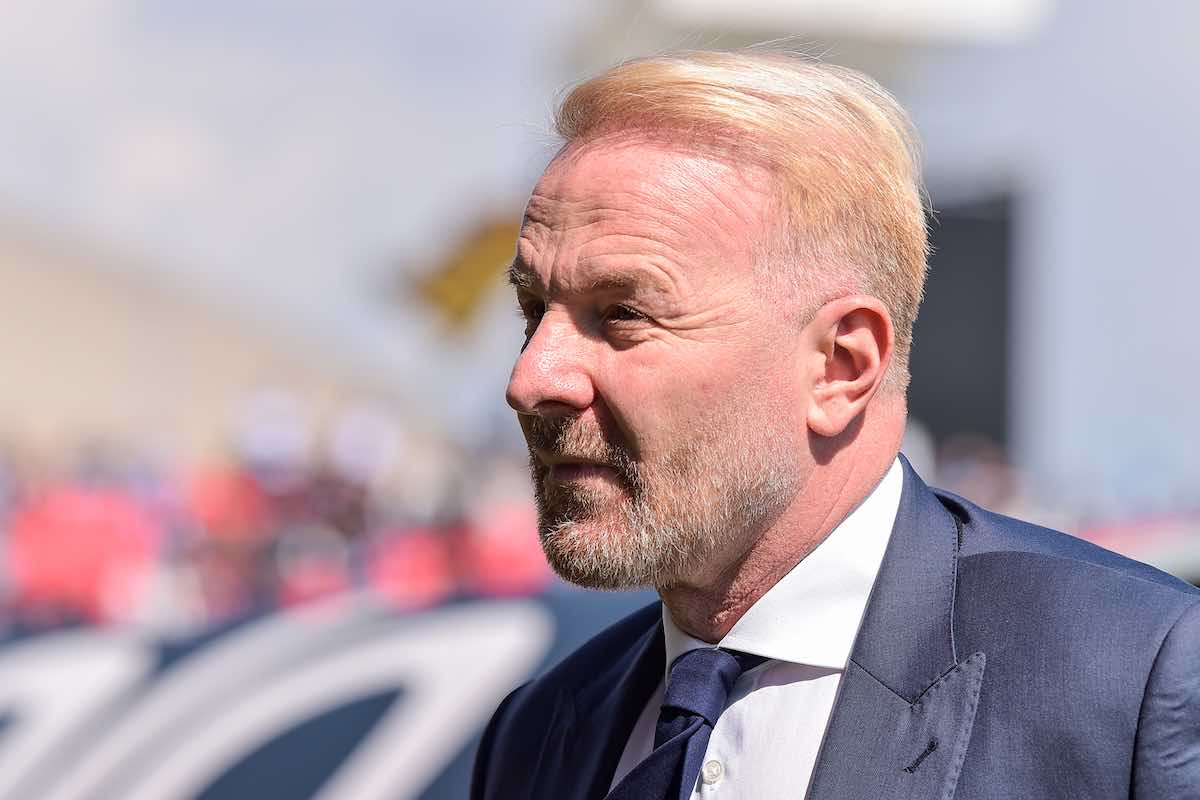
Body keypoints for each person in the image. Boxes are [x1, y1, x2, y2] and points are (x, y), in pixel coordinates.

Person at [471, 51, 1200, 799]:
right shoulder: (539, 734)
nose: (532, 380)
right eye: (534, 311)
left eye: (623, 314)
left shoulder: (1133, 683)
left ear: (841, 366)